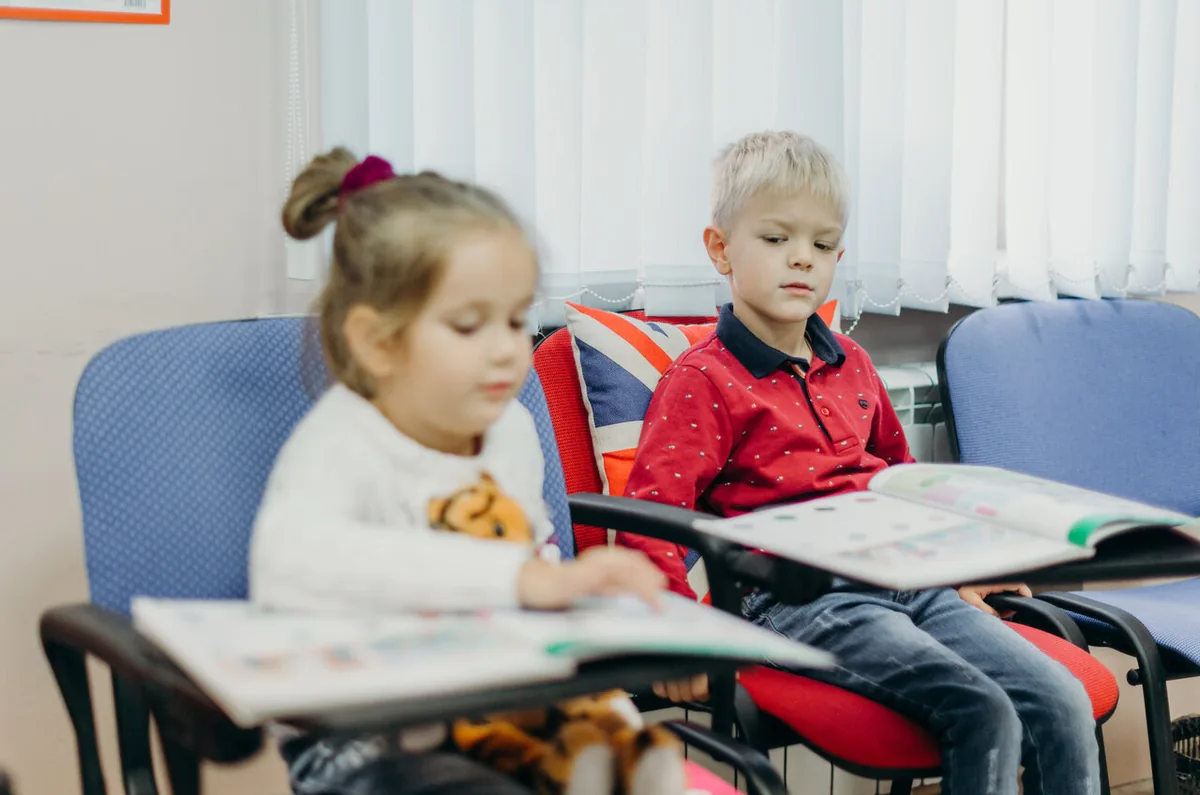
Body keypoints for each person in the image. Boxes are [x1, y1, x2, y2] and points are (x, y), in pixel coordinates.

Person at [620, 131, 1100, 795]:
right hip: (800, 600)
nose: (801, 259)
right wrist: (669, 627)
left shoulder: (853, 363)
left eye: (821, 245)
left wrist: (961, 571)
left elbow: (909, 481)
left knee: (1061, 699)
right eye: (776, 238)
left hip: (908, 583)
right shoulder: (704, 381)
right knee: (981, 710)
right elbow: (650, 515)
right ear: (721, 248)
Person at [250, 149, 668, 795]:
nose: (507, 347)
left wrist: (602, 691)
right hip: (367, 733)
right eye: (470, 324)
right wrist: (519, 579)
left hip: (494, 699)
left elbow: (530, 554)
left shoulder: (510, 430)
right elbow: (288, 564)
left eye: (514, 319)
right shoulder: (341, 439)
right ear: (377, 341)